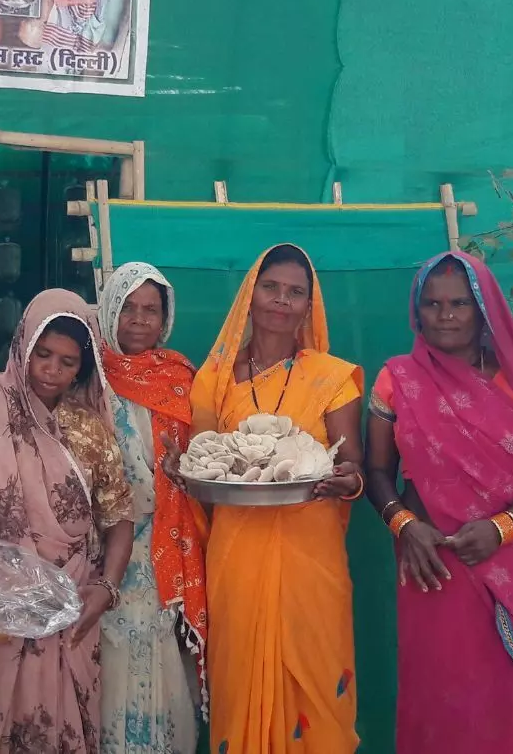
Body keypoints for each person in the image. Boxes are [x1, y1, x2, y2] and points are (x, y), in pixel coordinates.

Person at [365, 252, 513, 754]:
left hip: (510, 567)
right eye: (432, 303)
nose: (445, 315)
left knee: (502, 700)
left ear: (482, 308)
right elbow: (376, 471)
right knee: (441, 697)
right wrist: (405, 525)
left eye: (459, 303)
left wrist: (501, 529)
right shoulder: (396, 379)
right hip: (433, 568)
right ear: (416, 311)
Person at [0, 289, 135, 753]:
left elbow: (118, 517)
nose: (52, 370)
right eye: (43, 354)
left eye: (68, 362)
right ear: (22, 345)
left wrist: (107, 588)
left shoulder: (90, 429)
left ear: (84, 367)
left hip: (68, 610)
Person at [180, 243, 365, 754]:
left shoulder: (332, 377)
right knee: (240, 676)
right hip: (236, 555)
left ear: (309, 306)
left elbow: (352, 467)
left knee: (320, 683)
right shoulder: (214, 380)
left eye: (295, 292)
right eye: (272, 288)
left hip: (313, 556)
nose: (282, 300)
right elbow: (200, 463)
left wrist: (346, 482)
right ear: (250, 296)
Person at [95, 263, 205, 753]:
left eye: (151, 310)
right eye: (127, 308)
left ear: (166, 319)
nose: (139, 320)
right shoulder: (87, 375)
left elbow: (203, 459)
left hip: (168, 550)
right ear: (109, 311)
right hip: (102, 555)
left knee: (164, 660)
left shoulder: (182, 379)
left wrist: (186, 471)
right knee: (108, 663)